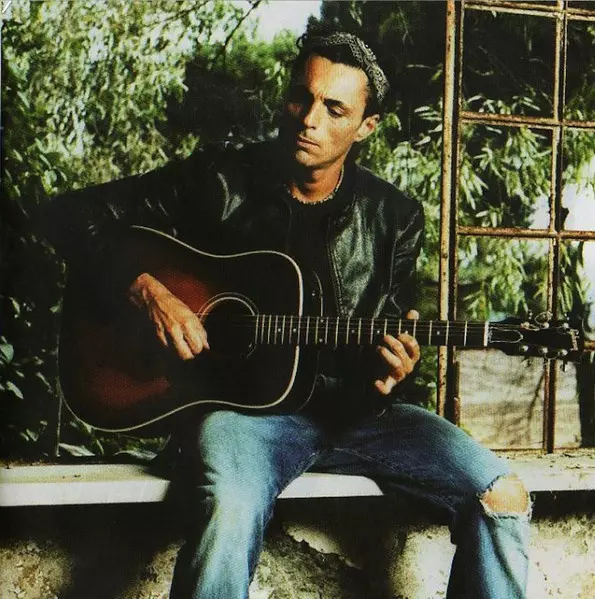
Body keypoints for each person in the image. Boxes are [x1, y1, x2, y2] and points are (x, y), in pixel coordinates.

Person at [43, 31, 531, 599]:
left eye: (335, 109)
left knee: (503, 495)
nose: (309, 120)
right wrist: (147, 290)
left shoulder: (395, 217)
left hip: (357, 416)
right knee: (228, 507)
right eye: (303, 96)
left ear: (366, 126)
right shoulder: (218, 180)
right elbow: (65, 214)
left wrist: (395, 369)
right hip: (245, 418)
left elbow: (388, 338)